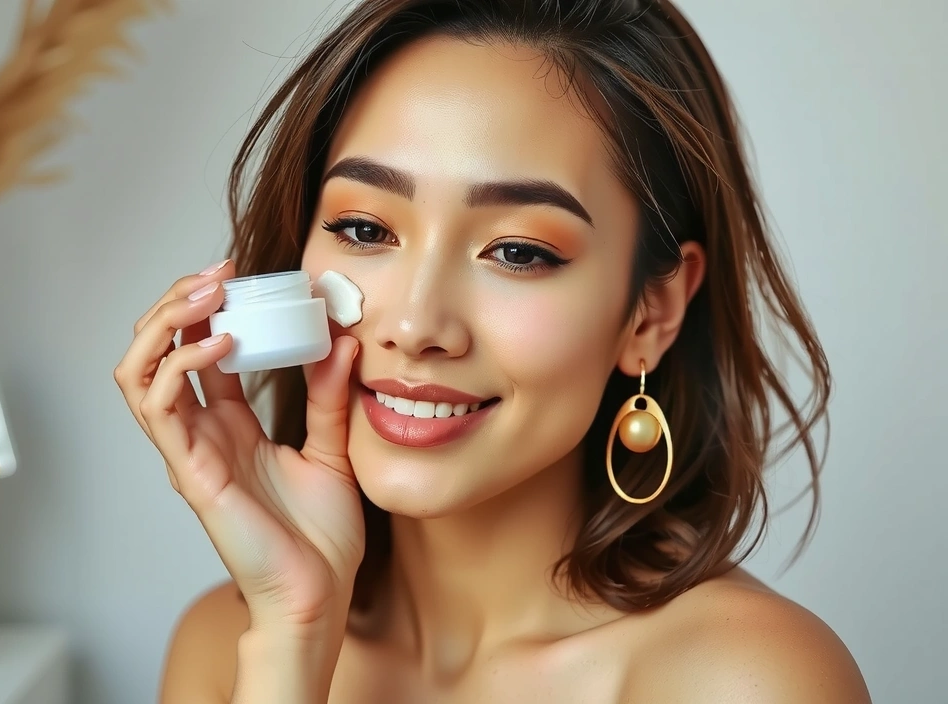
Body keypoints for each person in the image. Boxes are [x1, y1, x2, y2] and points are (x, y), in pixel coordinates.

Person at [114, 0, 872, 701]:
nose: (415, 327)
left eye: (517, 251)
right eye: (366, 230)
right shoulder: (230, 648)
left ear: (651, 311)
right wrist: (295, 636)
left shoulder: (748, 680)